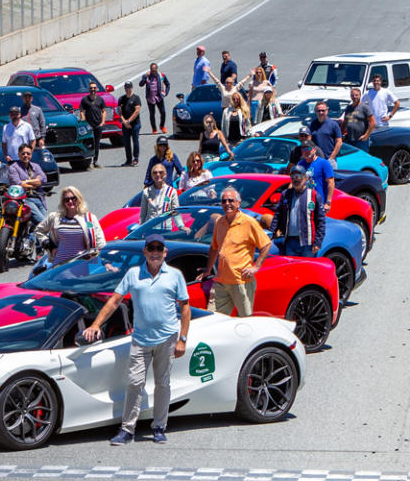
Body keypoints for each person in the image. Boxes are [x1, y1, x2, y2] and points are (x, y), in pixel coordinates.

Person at [82, 233, 190, 445]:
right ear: (145, 251)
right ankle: (127, 429)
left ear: (165, 252)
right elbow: (114, 302)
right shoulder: (133, 274)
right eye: (151, 248)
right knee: (134, 382)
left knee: (162, 383)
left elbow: (184, 309)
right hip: (140, 339)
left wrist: (182, 339)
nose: (155, 252)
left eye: (159, 248)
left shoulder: (175, 275)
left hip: (167, 338)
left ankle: (159, 426)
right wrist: (95, 324)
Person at [196, 186, 271, 317]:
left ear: (238, 203)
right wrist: (208, 270)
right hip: (221, 281)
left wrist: (256, 266)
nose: (227, 204)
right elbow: (214, 248)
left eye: (231, 200)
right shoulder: (219, 222)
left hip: (241, 282)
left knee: (245, 320)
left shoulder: (249, 222)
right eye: (224, 201)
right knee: (213, 319)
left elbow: (266, 244)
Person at [35, 186, 106, 266]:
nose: (70, 201)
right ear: (63, 202)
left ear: (79, 199)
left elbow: (100, 242)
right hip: (60, 264)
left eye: (73, 198)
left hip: (80, 264)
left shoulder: (89, 218)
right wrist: (49, 245)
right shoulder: (55, 217)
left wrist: (105, 262)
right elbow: (39, 230)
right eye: (66, 199)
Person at [269, 164, 326, 257]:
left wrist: (318, 242)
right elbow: (278, 215)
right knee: (291, 270)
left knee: (307, 269)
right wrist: (271, 233)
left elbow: (321, 222)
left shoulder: (314, 196)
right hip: (290, 242)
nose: (296, 179)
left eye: (299, 176)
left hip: (308, 243)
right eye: (293, 177)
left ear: (305, 178)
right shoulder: (286, 195)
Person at [7, 144, 48, 225]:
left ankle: (32, 236)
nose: (26, 155)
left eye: (28, 153)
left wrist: (26, 181)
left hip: (39, 198)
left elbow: (43, 179)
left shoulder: (36, 166)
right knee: (43, 223)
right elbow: (18, 185)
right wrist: (35, 182)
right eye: (23, 153)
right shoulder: (13, 168)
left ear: (31, 155)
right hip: (25, 200)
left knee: (42, 224)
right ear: (19, 155)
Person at [140, 164, 188, 232]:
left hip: (165, 229)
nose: (158, 174)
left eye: (160, 172)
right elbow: (143, 213)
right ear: (152, 175)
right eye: (155, 172)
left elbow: (175, 211)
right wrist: (140, 229)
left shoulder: (171, 191)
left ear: (165, 174)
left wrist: (181, 226)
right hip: (150, 229)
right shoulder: (146, 192)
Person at [297, 145, 335, 211]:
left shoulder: (324, 163)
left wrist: (328, 203)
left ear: (314, 150)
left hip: (319, 202)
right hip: (303, 202)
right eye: (303, 149)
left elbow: (331, 182)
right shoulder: (300, 164)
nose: (306, 151)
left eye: (308, 148)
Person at [79, 83, 107, 168]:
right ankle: (89, 162)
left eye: (94, 88)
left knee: (97, 144)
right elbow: (81, 111)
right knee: (89, 144)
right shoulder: (85, 100)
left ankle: (95, 161)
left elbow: (104, 111)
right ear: (89, 89)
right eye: (91, 88)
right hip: (89, 126)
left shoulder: (100, 100)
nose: (93, 89)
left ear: (97, 89)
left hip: (98, 125)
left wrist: (102, 122)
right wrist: (84, 121)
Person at [308, 101, 343, 165]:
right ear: (315, 112)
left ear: (327, 111)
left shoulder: (333, 124)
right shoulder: (312, 125)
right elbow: (308, 141)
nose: (321, 112)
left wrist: (331, 157)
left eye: (323, 110)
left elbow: (339, 142)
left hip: (329, 160)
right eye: (318, 111)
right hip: (315, 160)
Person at [139, 63, 170, 134]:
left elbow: (168, 84)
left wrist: (166, 92)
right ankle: (154, 128)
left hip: (159, 97)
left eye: (154, 70)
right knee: (152, 114)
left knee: (163, 112)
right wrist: (145, 77)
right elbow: (140, 84)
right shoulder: (147, 76)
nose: (153, 72)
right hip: (150, 98)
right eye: (152, 70)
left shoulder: (161, 75)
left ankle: (162, 126)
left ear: (156, 69)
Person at [343, 87, 376, 152]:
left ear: (360, 96)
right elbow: (345, 122)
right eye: (352, 95)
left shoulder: (365, 107)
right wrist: (341, 133)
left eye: (356, 95)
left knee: (362, 159)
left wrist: (366, 135)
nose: (354, 97)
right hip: (350, 139)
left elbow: (373, 123)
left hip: (361, 140)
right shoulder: (348, 108)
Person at [118, 81, 142, 166]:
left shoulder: (136, 98)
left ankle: (135, 159)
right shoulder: (121, 99)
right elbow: (119, 111)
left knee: (135, 141)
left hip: (135, 124)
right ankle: (128, 160)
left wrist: (128, 121)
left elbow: (136, 111)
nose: (127, 89)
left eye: (129, 87)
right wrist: (124, 121)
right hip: (125, 124)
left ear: (132, 88)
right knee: (126, 142)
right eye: (126, 87)